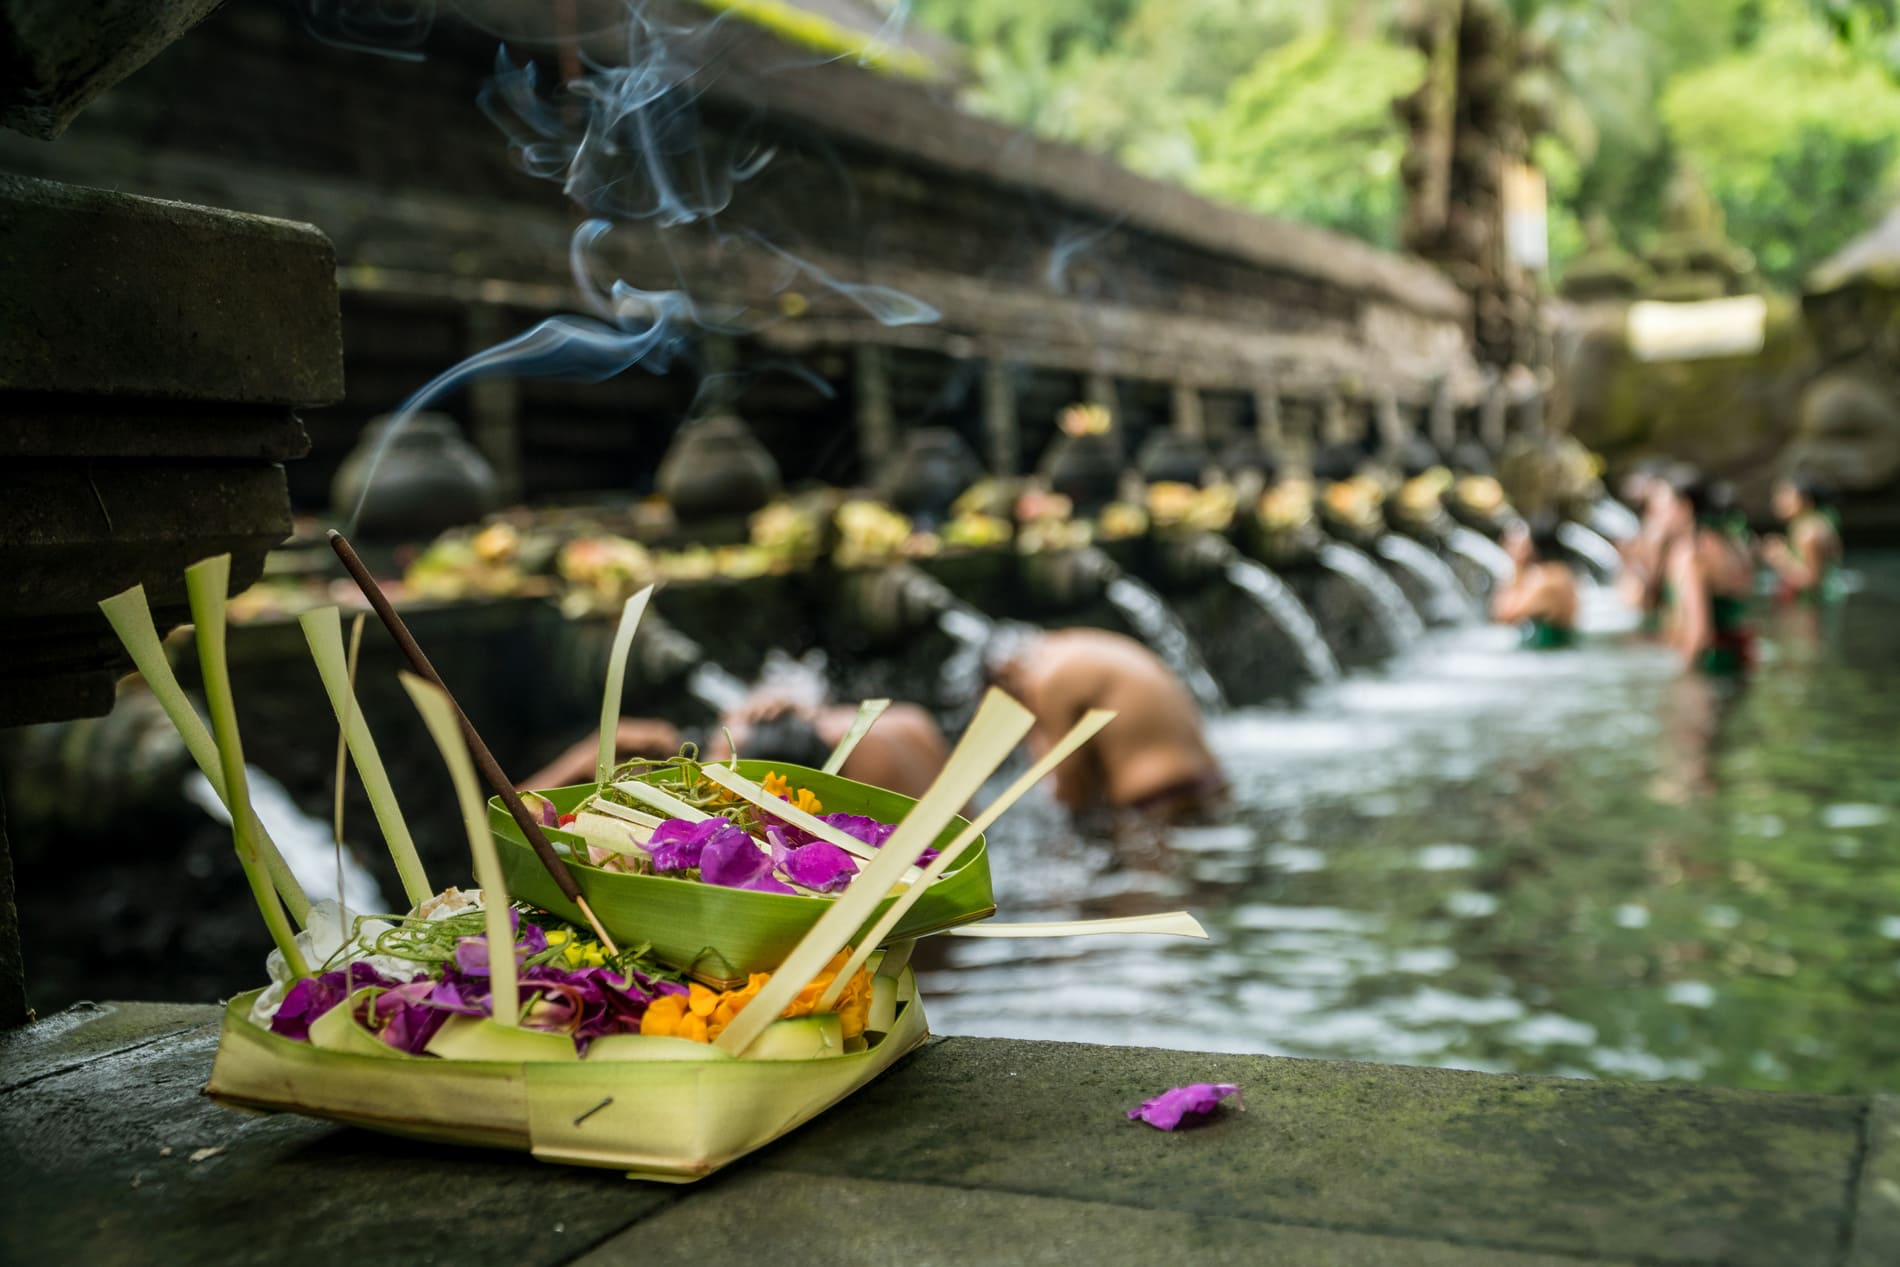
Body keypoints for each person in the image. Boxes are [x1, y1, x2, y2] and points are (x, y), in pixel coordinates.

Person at [985, 627, 1225, 820]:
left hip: (1155, 802)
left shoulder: (1048, 678)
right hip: (1210, 783)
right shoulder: (1078, 646)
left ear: (1006, 675)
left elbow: (1069, 788)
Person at [1662, 473, 1756, 675]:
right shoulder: (1730, 545)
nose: (1660, 513)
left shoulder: (1692, 555)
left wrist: (1681, 677)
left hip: (1707, 666)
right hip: (1735, 660)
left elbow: (1699, 630)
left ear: (1685, 506)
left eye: (1664, 505)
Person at [1491, 515, 1579, 648]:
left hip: (1552, 656)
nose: (1508, 549)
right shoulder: (1557, 573)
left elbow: (1504, 614)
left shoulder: (1548, 580)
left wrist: (1517, 567)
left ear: (1531, 546)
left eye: (1515, 544)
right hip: (1556, 651)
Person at [1762, 474, 1842, 604]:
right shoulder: (1818, 522)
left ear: (1805, 499)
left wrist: (1780, 558)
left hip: (1812, 605)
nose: (1778, 501)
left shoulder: (1807, 531)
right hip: (1824, 602)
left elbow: (1812, 580)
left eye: (1786, 495)